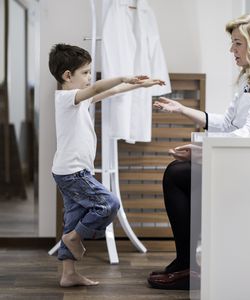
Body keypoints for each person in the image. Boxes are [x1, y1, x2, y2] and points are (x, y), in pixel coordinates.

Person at [147, 12, 250, 290]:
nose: (232, 50)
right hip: (247, 161)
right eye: (233, 43)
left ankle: (188, 265)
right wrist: (182, 110)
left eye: (238, 43)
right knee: (180, 174)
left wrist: (200, 152)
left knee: (178, 175)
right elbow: (228, 125)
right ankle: (189, 264)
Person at [49, 43, 165, 287]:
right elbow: (98, 88)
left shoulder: (78, 100)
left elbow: (108, 92)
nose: (90, 78)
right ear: (67, 76)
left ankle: (68, 273)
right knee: (109, 204)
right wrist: (123, 75)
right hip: (73, 172)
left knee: (73, 217)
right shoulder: (66, 98)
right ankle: (74, 238)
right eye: (86, 73)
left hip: (70, 171)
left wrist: (138, 84)